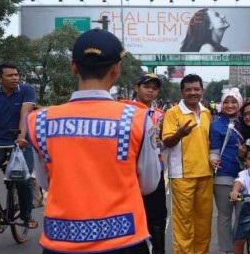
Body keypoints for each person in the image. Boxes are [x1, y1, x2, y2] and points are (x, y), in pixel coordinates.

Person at [27, 29, 161, 253]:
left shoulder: (40, 120)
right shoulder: (136, 118)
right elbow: (148, 185)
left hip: (61, 241)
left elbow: (45, 182)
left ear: (73, 66)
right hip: (123, 239)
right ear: (117, 69)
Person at [162, 74, 213, 253]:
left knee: (203, 224)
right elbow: (166, 142)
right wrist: (179, 134)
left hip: (206, 174)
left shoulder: (207, 112)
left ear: (202, 91)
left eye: (196, 89)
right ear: (182, 92)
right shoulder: (173, 113)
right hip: (182, 176)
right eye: (188, 89)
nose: (193, 93)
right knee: (183, 225)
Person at [123, 73, 167, 254]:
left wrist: (160, 143)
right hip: (127, 172)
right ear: (136, 87)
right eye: (146, 86)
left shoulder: (161, 115)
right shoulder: (123, 110)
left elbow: (165, 141)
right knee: (129, 215)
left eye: (155, 88)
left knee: (157, 217)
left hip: (155, 170)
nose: (151, 90)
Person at [0, 63, 37, 229]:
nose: (15, 78)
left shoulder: (26, 90)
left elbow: (24, 115)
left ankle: (27, 217)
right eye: (10, 75)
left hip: (21, 144)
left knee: (22, 180)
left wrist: (21, 136)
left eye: (16, 74)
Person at [209, 88, 244, 254]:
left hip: (247, 175)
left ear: (240, 104)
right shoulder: (216, 124)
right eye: (226, 102)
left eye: (234, 102)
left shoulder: (247, 122)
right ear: (221, 104)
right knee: (224, 216)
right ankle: (226, 250)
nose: (230, 105)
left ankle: (239, 248)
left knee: (243, 216)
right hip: (224, 175)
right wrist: (212, 159)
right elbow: (214, 148)